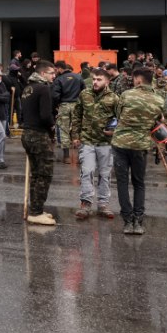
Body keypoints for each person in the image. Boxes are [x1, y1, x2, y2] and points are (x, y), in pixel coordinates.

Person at [113, 67, 162, 235]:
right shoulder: (158, 99)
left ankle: (127, 220)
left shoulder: (126, 95)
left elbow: (118, 115)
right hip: (140, 146)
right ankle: (138, 220)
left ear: (138, 80)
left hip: (121, 144)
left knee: (122, 183)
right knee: (139, 183)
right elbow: (158, 120)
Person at [70, 67, 120, 220]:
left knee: (105, 174)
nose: (95, 82)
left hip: (105, 143)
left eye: (99, 79)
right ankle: (85, 203)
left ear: (107, 81)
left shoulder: (114, 98)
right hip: (87, 141)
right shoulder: (85, 94)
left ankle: (103, 204)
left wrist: (114, 131)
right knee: (87, 171)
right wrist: (75, 135)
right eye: (94, 79)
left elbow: (120, 119)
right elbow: (77, 115)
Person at [20, 60, 61, 225]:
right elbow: (45, 115)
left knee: (36, 174)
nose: (54, 76)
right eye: (51, 73)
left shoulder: (28, 88)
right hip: (39, 134)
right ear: (43, 73)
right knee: (44, 174)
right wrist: (52, 127)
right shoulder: (43, 88)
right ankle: (36, 212)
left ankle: (35, 209)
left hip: (27, 133)